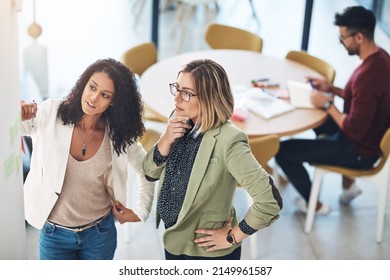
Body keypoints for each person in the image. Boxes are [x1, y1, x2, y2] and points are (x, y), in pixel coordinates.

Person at [133, 59, 282, 260]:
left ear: (208, 98)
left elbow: (270, 201)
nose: (176, 98)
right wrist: (166, 139)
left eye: (186, 93)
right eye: (177, 88)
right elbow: (150, 173)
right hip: (174, 239)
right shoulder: (179, 118)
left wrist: (232, 237)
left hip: (207, 253)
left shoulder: (229, 141)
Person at [20, 58, 155, 260]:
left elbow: (146, 169)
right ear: (84, 83)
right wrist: (15, 114)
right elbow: (10, 130)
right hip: (54, 234)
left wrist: (141, 211)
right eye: (92, 87)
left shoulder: (118, 133)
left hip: (99, 235)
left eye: (105, 95)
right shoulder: (51, 112)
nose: (93, 97)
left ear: (113, 101)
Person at [275, 6, 390, 214]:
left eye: (343, 38)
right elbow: (361, 98)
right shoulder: (381, 57)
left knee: (283, 152)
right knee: (320, 118)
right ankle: (349, 185)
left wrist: (328, 104)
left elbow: (355, 129)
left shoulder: (368, 76)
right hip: (366, 136)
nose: (341, 43)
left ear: (360, 37)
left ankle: (315, 205)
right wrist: (331, 89)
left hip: (358, 151)